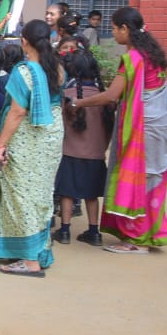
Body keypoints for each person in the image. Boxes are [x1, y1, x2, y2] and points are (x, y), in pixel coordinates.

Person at [68, 6, 167, 253]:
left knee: (140, 177)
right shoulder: (152, 53)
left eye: (115, 28)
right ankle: (151, 232)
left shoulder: (132, 59)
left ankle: (135, 239)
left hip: (145, 126)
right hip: (160, 122)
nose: (113, 33)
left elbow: (111, 96)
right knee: (153, 179)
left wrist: (78, 102)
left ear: (125, 29)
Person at [0, 20, 64, 277]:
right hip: (51, 137)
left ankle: (30, 259)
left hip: (28, 138)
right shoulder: (57, 68)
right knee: (41, 194)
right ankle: (39, 251)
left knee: (21, 195)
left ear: (25, 41)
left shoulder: (24, 71)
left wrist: (1, 142)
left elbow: (18, 111)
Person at [54, 48, 109, 245]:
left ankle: (65, 230)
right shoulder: (105, 97)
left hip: (70, 151)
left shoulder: (68, 96)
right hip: (96, 153)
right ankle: (94, 232)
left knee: (67, 192)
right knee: (92, 194)